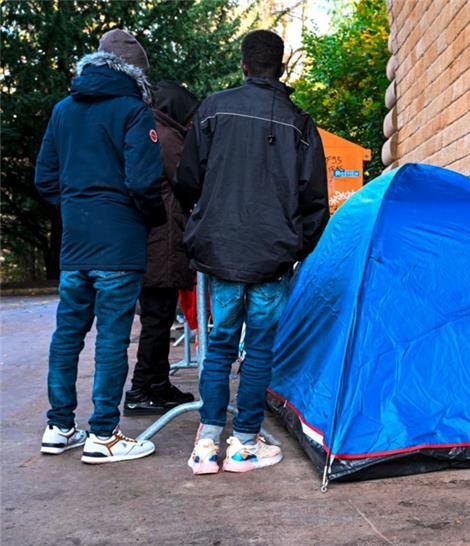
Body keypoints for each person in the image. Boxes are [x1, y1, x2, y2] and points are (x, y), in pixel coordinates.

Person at [175, 29, 329, 475]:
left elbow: (186, 179)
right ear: (280, 67)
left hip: (221, 251)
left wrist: (207, 221)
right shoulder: (299, 122)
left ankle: (206, 443)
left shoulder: (212, 109)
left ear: (243, 64)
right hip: (271, 255)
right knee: (259, 349)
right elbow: (314, 201)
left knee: (219, 343)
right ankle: (243, 443)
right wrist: (294, 247)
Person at [34, 29, 164, 463]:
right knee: (112, 337)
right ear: (136, 74)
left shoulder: (62, 110)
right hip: (120, 244)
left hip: (76, 243)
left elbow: (45, 179)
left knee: (67, 334)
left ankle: (59, 427)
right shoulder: (134, 111)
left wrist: (77, 207)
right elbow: (145, 181)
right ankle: (103, 434)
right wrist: (146, 217)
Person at [124, 80, 199, 415]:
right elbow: (188, 181)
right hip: (163, 239)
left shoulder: (148, 129)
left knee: (160, 316)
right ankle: (142, 389)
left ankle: (157, 385)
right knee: (157, 319)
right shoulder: (165, 136)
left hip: (154, 239)